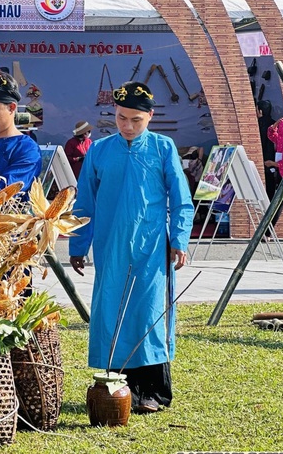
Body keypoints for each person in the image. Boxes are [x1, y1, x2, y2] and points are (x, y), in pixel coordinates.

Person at [69, 81, 193, 414]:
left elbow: (182, 201)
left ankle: (155, 392)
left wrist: (179, 240)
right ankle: (118, 388)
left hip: (152, 249)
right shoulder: (99, 150)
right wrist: (77, 246)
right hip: (110, 249)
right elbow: (84, 204)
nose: (127, 126)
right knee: (112, 314)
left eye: (136, 119)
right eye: (122, 118)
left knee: (148, 314)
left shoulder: (163, 148)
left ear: (150, 116)